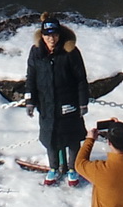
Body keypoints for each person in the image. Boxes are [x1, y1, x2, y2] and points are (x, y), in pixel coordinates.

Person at [25, 19, 90, 184]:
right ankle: (54, 168)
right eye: (47, 36)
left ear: (59, 35)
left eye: (54, 35)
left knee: (73, 139)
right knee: (50, 139)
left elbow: (81, 79)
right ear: (42, 36)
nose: (51, 39)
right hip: (47, 105)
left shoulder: (71, 52)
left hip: (69, 103)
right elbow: (31, 77)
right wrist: (30, 100)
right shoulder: (36, 52)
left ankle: (72, 169)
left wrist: (83, 102)